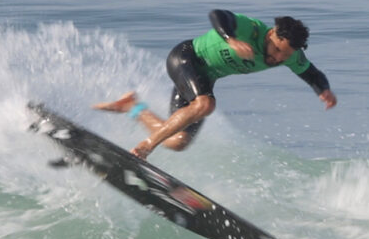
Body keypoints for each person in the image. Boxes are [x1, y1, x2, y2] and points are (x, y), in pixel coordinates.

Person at [93, 9, 337, 158]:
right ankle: (144, 148)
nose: (277, 59)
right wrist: (230, 39)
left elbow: (312, 73)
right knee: (206, 104)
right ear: (272, 33)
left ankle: (131, 107)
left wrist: (323, 90)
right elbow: (218, 15)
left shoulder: (289, 55)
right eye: (276, 50)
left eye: (284, 56)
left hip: (203, 79)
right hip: (185, 58)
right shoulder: (250, 29)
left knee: (178, 142)